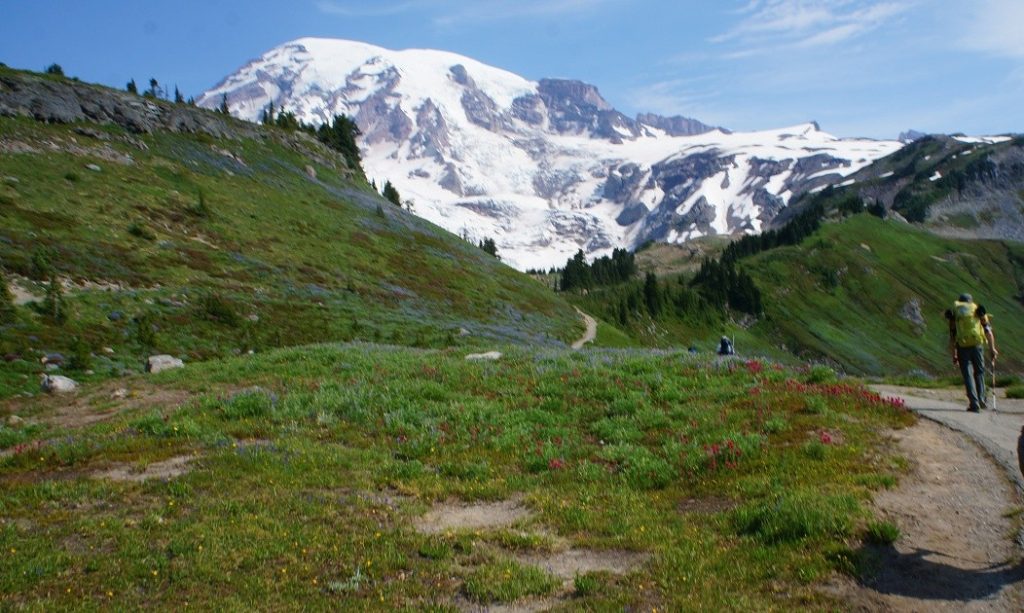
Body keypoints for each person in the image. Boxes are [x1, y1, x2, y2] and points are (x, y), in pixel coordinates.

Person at [948, 293, 998, 412]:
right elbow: (988, 332)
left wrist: (954, 354)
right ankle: (981, 399)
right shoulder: (978, 311)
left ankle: (974, 403)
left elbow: (952, 337)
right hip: (977, 346)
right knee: (979, 372)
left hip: (962, 346)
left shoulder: (956, 314)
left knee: (967, 374)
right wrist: (992, 349)